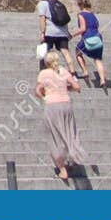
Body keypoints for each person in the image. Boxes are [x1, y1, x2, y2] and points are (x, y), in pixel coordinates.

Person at [35, 50, 85, 183]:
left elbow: (38, 91)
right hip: (66, 105)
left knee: (54, 137)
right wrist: (66, 89)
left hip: (52, 106)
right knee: (69, 133)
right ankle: (74, 157)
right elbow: (76, 86)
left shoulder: (44, 73)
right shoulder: (63, 70)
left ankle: (62, 170)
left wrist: (45, 96)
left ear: (47, 62)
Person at [71, 0, 109, 88]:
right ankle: (103, 80)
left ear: (81, 5)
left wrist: (72, 35)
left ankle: (85, 71)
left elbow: (83, 28)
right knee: (98, 59)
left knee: (78, 53)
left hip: (87, 37)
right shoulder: (93, 14)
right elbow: (97, 25)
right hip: (97, 37)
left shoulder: (81, 14)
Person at [37, 0, 71, 67]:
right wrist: (67, 32)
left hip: (50, 32)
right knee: (66, 52)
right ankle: (73, 73)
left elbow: (42, 19)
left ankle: (43, 71)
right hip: (62, 32)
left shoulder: (42, 3)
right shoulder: (57, 2)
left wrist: (42, 33)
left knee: (43, 51)